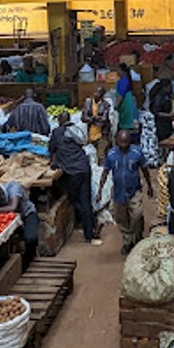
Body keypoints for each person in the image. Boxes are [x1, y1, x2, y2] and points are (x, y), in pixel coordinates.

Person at [99, 129, 153, 254]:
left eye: (126, 142)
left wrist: (149, 186)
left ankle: (138, 236)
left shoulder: (136, 152)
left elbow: (145, 169)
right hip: (118, 192)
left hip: (134, 191)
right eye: (121, 142)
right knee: (121, 218)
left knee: (137, 214)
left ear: (130, 141)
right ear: (117, 141)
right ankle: (127, 242)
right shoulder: (111, 154)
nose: (123, 145)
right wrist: (100, 190)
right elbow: (105, 172)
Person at [49, 112, 99, 244]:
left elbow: (51, 148)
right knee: (85, 199)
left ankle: (87, 221)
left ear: (59, 121)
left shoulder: (57, 132)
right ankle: (90, 230)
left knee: (74, 199)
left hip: (72, 171)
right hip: (84, 167)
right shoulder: (76, 129)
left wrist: (53, 161)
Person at [0, 181, 40, 268]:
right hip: (8, 219)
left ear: (4, 198)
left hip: (27, 214)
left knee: (31, 238)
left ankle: (28, 260)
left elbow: (13, 207)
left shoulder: (14, 188)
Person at [82, 86, 113, 150]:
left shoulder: (106, 104)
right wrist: (94, 118)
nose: (95, 94)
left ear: (102, 95)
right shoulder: (88, 102)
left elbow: (104, 119)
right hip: (90, 133)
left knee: (101, 153)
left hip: (102, 134)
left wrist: (91, 119)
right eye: (95, 92)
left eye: (98, 93)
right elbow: (84, 118)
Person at [149, 77, 174, 143]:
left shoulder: (166, 95)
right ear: (165, 87)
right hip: (161, 123)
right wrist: (170, 115)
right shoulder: (159, 97)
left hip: (166, 122)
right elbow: (157, 112)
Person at [115, 63, 138, 134]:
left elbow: (120, 96)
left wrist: (115, 107)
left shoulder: (123, 81)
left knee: (126, 128)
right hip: (128, 105)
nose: (117, 71)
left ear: (122, 71)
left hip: (126, 107)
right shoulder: (126, 79)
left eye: (118, 70)